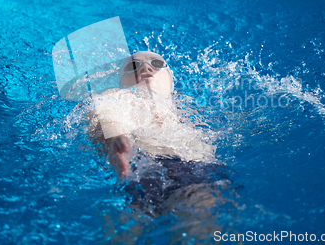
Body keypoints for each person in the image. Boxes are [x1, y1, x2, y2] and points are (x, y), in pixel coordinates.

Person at [86, 51, 229, 216]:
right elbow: (103, 117)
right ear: (120, 83)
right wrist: (115, 141)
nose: (146, 67)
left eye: (157, 63)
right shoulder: (116, 99)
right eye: (133, 66)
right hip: (145, 167)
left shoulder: (185, 110)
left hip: (201, 169)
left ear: (170, 81)